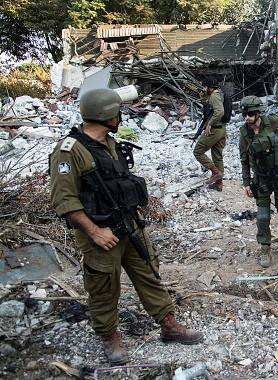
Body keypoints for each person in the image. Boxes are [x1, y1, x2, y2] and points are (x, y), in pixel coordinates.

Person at [49, 88, 202, 366]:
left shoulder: (109, 143)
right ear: (105, 115)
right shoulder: (69, 151)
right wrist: (94, 231)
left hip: (129, 225)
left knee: (149, 274)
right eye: (117, 112)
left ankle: (168, 324)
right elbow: (64, 200)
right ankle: (109, 337)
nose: (120, 117)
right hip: (100, 234)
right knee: (104, 286)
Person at [239, 96, 278, 268]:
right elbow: (244, 160)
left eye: (250, 114)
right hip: (260, 177)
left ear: (258, 113)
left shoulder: (272, 122)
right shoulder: (244, 133)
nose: (246, 117)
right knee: (262, 216)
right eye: (244, 114)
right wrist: (246, 182)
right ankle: (265, 247)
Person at [193, 76, 227, 191]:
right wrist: (203, 94)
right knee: (217, 156)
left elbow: (220, 111)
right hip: (222, 129)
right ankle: (219, 184)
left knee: (198, 151)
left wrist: (209, 124)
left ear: (210, 88)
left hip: (214, 130)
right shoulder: (218, 95)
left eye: (205, 86)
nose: (204, 88)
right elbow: (207, 103)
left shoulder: (214, 96)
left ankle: (215, 172)